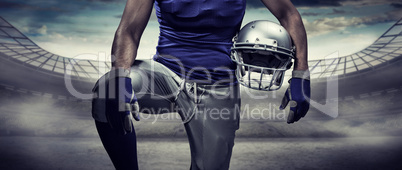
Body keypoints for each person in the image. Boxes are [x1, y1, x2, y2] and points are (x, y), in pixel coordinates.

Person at [91, 0, 310, 169]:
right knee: (107, 89)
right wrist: (119, 75)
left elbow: (288, 13)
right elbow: (129, 29)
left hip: (219, 84)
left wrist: (301, 73)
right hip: (166, 74)